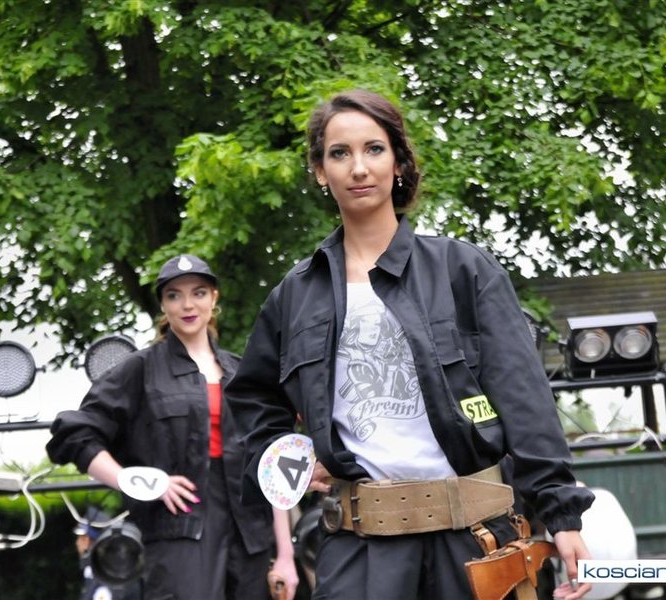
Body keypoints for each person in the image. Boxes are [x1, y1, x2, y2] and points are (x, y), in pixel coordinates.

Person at [225, 89, 595, 600]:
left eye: (374, 149)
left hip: (475, 540)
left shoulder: (463, 270)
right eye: (339, 153)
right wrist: (290, 461)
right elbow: (253, 399)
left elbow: (524, 398)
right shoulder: (295, 295)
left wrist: (562, 514)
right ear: (320, 170)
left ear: (398, 162)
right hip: (358, 549)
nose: (359, 167)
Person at [46, 254, 299, 600]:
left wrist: (285, 555)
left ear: (214, 297)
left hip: (249, 536)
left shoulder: (243, 373)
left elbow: (273, 462)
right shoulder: (141, 369)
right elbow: (74, 433)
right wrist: (133, 479)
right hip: (178, 531)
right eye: (174, 295)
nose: (187, 304)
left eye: (198, 292)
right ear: (163, 306)